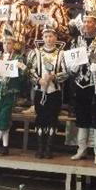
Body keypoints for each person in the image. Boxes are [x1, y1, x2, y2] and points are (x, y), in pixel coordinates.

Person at [67, 7, 96, 165]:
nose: (86, 24)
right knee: (81, 117)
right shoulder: (76, 41)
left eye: (90, 22)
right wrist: (72, 68)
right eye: (85, 21)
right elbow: (70, 62)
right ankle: (81, 149)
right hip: (80, 85)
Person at [27, 26, 68, 159]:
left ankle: (49, 148)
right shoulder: (35, 53)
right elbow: (29, 70)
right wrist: (38, 80)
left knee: (52, 118)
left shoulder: (62, 54)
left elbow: (67, 72)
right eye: (46, 36)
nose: (48, 39)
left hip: (54, 91)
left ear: (55, 38)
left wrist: (54, 77)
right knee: (40, 118)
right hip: (40, 91)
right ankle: (40, 147)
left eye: (51, 36)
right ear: (42, 38)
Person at [0, 29, 25, 156]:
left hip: (10, 91)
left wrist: (21, 67)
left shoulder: (18, 58)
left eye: (9, 43)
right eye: (4, 43)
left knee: (3, 117)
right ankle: (5, 146)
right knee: (3, 118)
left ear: (13, 44)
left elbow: (24, 75)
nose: (6, 45)